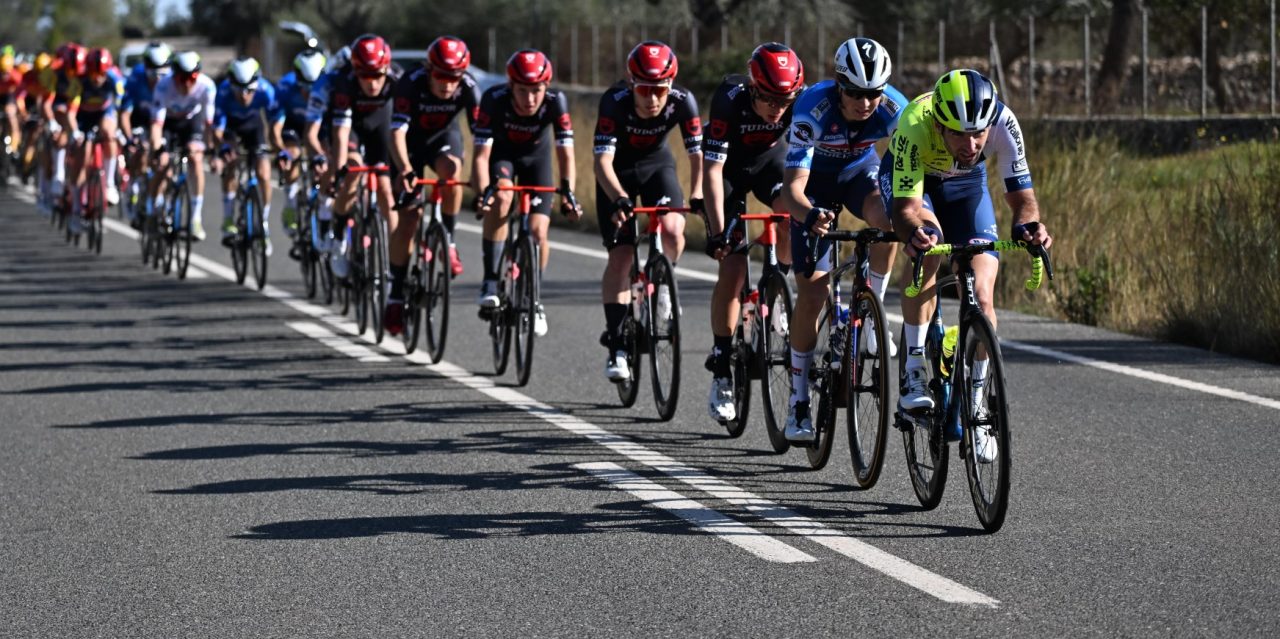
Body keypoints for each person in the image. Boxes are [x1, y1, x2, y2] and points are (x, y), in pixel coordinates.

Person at [881, 69, 1052, 462]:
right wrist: (914, 233)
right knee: (928, 248)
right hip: (914, 182)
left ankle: (976, 403)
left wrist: (1030, 228)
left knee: (982, 289)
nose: (971, 143)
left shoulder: (1004, 122)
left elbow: (1022, 197)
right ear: (939, 123)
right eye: (958, 133)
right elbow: (905, 211)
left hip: (966, 188)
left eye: (977, 133)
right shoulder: (913, 124)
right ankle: (912, 371)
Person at [778, 37, 908, 442]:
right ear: (838, 85)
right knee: (813, 294)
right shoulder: (811, 109)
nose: (865, 103)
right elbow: (792, 190)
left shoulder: (893, 108)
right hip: (812, 187)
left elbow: (910, 171)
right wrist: (809, 214)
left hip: (858, 175)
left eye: (874, 93)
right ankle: (798, 401)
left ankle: (873, 312)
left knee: (890, 221)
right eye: (855, 93)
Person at [701, 42, 804, 424]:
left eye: (786, 99)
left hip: (769, 164)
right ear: (752, 87)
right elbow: (711, 172)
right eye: (769, 99)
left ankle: (776, 287)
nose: (778, 108)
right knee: (731, 270)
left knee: (791, 214)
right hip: (728, 171)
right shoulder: (729, 99)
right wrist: (716, 231)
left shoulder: (798, 102)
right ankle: (723, 367)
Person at [594, 41, 703, 381]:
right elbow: (601, 162)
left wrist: (698, 193)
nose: (652, 98)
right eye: (644, 89)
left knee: (672, 229)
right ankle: (617, 345)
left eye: (659, 89)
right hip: (617, 175)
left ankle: (665, 289)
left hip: (657, 167)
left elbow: (697, 156)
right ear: (631, 84)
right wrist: (618, 198)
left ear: (670, 86)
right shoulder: (614, 102)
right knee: (622, 256)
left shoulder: (683, 102)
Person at [471, 48, 581, 336]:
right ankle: (491, 280)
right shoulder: (493, 99)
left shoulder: (556, 102)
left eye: (537, 90)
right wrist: (485, 192)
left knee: (539, 232)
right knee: (503, 196)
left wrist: (568, 191)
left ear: (546, 87)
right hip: (503, 157)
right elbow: (481, 156)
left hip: (537, 161)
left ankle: (534, 298)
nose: (530, 98)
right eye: (522, 90)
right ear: (511, 86)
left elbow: (566, 154)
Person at [384, 36, 481, 336]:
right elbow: (396, 133)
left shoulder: (469, 88)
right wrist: (406, 170)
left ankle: (447, 240)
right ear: (429, 70)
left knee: (452, 171)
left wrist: (481, 179)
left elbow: (482, 140)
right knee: (410, 218)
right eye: (441, 76)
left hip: (443, 139)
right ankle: (397, 292)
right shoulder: (410, 83)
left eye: (454, 77)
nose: (447, 84)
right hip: (408, 146)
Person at [325, 34, 401, 280]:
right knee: (353, 172)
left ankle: (395, 253)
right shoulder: (345, 84)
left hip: (381, 128)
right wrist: (338, 171)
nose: (372, 83)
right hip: (353, 129)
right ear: (355, 70)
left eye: (378, 75)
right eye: (364, 76)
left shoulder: (397, 79)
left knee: (386, 191)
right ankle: (338, 236)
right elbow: (340, 132)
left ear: (386, 69)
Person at [212, 56, 284, 253]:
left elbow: (275, 123)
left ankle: (264, 223)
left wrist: (278, 148)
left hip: (255, 129)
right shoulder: (224, 92)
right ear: (231, 85)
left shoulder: (266, 90)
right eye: (239, 90)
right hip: (231, 130)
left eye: (249, 90)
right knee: (231, 163)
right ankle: (228, 219)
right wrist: (223, 148)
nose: (244, 96)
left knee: (264, 174)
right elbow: (217, 131)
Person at [149, 51, 216, 240]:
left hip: (191, 123)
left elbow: (209, 124)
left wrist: (210, 149)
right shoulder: (163, 86)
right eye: (181, 78)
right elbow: (156, 125)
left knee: (195, 158)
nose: (187, 83)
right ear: (173, 75)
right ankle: (153, 208)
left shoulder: (207, 86)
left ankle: (195, 218)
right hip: (168, 124)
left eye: (192, 77)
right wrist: (158, 150)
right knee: (162, 165)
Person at [63, 47, 125, 224]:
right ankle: (76, 206)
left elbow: (121, 108)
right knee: (83, 157)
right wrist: (75, 133)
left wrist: (118, 130)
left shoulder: (114, 78)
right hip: (84, 117)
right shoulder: (79, 81)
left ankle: (110, 184)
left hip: (105, 113)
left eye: (101, 73)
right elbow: (70, 113)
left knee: (109, 133)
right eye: (93, 73)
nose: (97, 78)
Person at [272, 47, 325, 238]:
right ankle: (291, 205)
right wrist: (281, 151)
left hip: (320, 126)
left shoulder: (329, 85)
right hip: (293, 124)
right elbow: (275, 129)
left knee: (323, 159)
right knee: (292, 154)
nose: (308, 94)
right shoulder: (285, 87)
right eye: (304, 88)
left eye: (313, 88)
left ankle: (323, 204)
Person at [120, 41, 172, 227]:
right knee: (141, 153)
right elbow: (124, 114)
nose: (158, 80)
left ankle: (158, 201)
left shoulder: (172, 80)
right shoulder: (135, 78)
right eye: (153, 74)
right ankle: (134, 187)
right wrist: (129, 138)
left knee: (165, 163)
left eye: (162, 74)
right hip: (140, 119)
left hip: (161, 121)